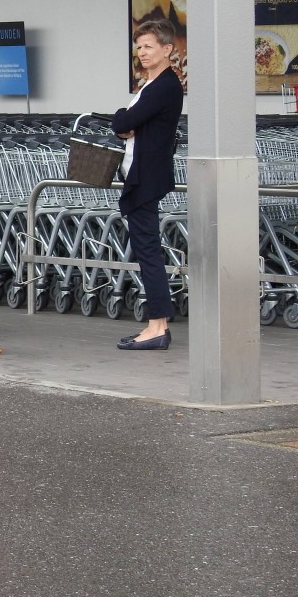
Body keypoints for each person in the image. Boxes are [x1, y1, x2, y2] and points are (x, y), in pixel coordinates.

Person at [112, 19, 184, 350]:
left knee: (148, 251)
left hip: (146, 179)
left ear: (168, 49)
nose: (141, 52)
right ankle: (157, 323)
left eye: (149, 46)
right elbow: (127, 126)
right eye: (139, 47)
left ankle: (158, 326)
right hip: (139, 176)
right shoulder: (149, 85)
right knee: (146, 250)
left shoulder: (165, 86)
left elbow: (124, 121)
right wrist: (127, 123)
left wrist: (125, 120)